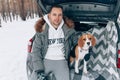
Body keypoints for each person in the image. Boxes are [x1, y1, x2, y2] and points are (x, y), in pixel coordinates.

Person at [31, 5, 77, 80]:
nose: (57, 18)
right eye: (54, 14)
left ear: (62, 16)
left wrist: (81, 49)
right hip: (45, 60)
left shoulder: (68, 29)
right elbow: (36, 51)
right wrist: (39, 71)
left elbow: (77, 44)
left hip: (61, 61)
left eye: (60, 15)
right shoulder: (42, 30)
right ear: (49, 15)